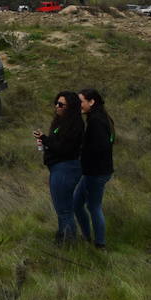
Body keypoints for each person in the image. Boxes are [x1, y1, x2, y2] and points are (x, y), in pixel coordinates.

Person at [33, 90, 84, 243]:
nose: (57, 106)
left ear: (70, 106)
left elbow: (64, 148)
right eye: (56, 103)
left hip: (66, 168)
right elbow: (57, 144)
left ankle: (68, 241)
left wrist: (45, 140)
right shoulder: (61, 122)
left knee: (64, 209)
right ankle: (63, 237)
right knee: (61, 208)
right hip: (58, 168)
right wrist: (45, 141)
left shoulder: (75, 124)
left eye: (61, 104)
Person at [73, 88, 115, 249]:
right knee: (77, 203)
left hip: (96, 172)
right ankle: (87, 237)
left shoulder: (97, 121)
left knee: (93, 207)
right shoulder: (99, 118)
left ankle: (100, 244)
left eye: (81, 101)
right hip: (94, 171)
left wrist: (82, 150)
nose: (79, 105)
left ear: (91, 102)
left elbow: (101, 146)